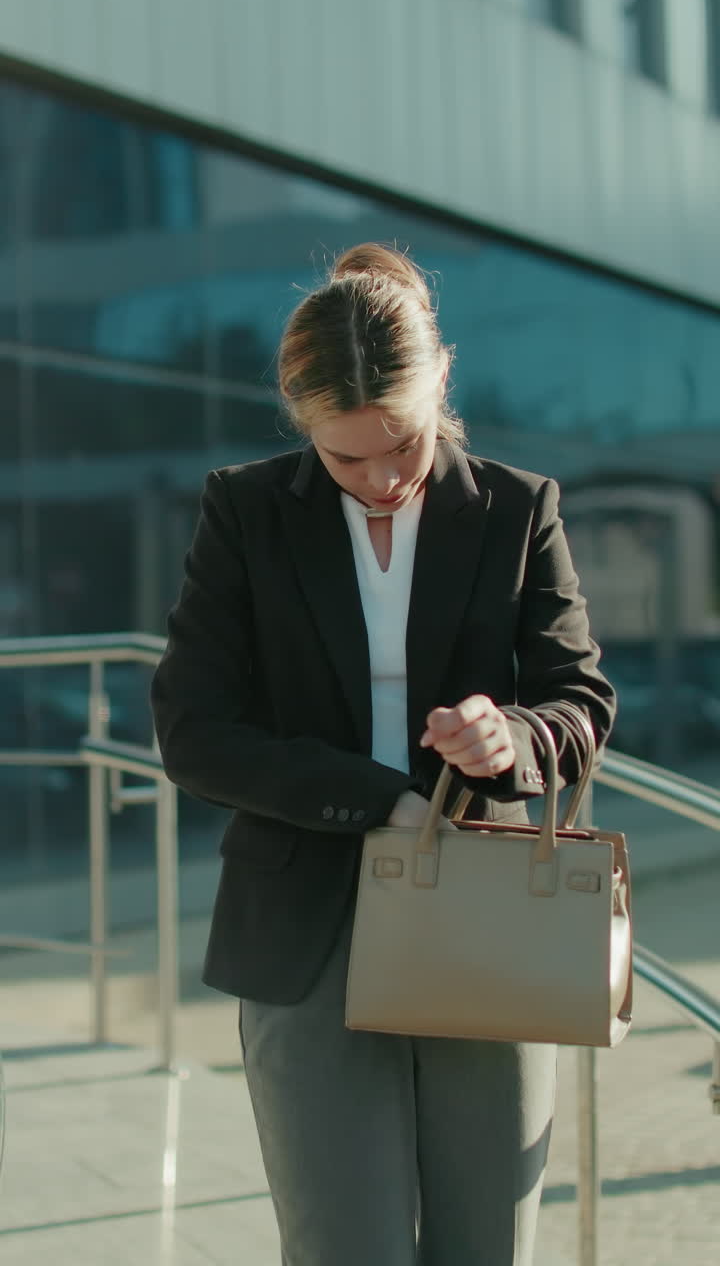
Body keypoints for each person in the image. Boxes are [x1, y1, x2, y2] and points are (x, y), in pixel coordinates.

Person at [151, 243, 616, 1266]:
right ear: (297, 415)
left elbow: (580, 696)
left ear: (441, 376)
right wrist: (374, 796)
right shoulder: (245, 510)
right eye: (344, 455)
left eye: (398, 443)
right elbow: (191, 726)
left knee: (484, 1244)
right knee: (341, 1247)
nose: (381, 477)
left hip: (490, 921)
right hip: (307, 922)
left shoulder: (517, 507)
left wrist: (514, 734)